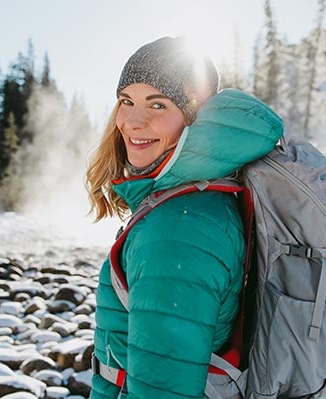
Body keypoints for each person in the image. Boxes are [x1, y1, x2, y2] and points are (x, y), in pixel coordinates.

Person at [86, 36, 283, 399]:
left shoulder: (176, 229)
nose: (133, 121)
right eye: (126, 101)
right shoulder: (200, 199)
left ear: (194, 116)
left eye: (158, 104)